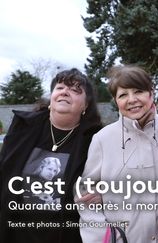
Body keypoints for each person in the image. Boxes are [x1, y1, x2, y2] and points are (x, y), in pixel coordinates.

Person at [76, 65, 158, 243]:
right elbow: (85, 196)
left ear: (151, 93)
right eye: (123, 95)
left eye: (138, 91)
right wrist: (104, 238)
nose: (131, 100)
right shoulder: (103, 139)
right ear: (116, 101)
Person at [0, 68, 103, 243]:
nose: (65, 92)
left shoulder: (96, 139)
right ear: (51, 97)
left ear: (85, 105)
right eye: (60, 87)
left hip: (65, 235)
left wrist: (105, 195)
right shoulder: (23, 127)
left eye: (75, 90)